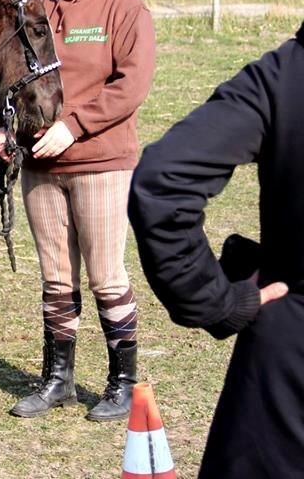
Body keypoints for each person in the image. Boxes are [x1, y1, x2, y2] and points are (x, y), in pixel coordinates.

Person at [0, 0, 156, 421]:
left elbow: (132, 85)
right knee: (57, 277)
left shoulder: (123, 7)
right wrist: (2, 125)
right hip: (41, 165)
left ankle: (123, 383)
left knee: (106, 275)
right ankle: (58, 379)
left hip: (102, 162)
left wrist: (73, 127)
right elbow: (8, 68)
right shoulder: (36, 4)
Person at [128, 24, 300, 478]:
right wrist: (217, 301)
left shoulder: (284, 76)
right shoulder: (282, 77)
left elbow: (162, 182)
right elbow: (164, 183)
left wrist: (217, 302)